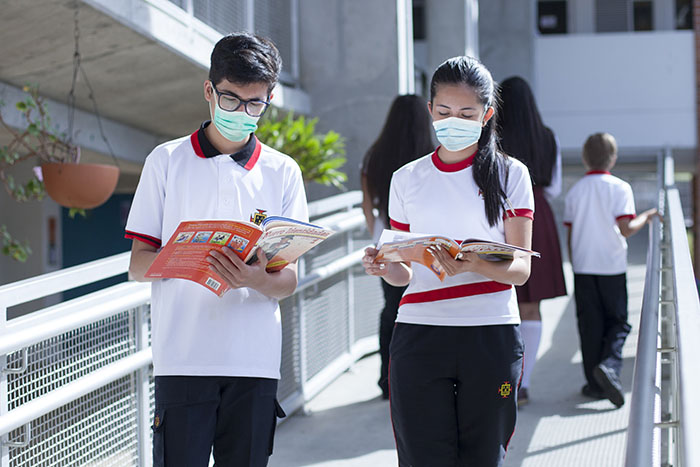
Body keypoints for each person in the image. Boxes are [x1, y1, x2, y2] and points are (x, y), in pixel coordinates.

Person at [125, 32, 307, 466]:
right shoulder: (165, 161)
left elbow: (288, 281)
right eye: (230, 99)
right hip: (182, 360)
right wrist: (185, 261)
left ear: (269, 99)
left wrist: (253, 278)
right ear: (209, 91)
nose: (242, 113)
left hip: (255, 363)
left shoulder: (283, 172)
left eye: (254, 104)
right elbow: (137, 265)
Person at [363, 56, 534, 466]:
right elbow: (405, 273)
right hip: (420, 335)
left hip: (490, 334)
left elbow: (521, 269)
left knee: (483, 456)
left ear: (486, 114)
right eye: (444, 112)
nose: (452, 120)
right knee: (423, 456)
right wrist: (385, 266)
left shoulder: (512, 175)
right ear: (430, 110)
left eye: (466, 113)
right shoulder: (406, 178)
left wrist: (470, 264)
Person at [563, 132, 659, 408]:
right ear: (613, 159)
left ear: (584, 159)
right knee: (618, 322)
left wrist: (575, 261)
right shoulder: (620, 188)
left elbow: (570, 234)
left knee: (589, 325)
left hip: (583, 267)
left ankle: (594, 385)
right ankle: (610, 365)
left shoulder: (576, 190)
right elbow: (626, 228)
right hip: (612, 266)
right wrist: (647, 216)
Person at [497, 76, 567, 406]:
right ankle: (521, 384)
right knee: (532, 306)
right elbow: (553, 188)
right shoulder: (548, 137)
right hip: (538, 219)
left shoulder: (492, 137)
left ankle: (502, 383)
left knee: (500, 301)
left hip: (499, 219)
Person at [360, 94, 435, 399]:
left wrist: (376, 234)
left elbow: (367, 204)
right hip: (423, 241)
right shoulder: (429, 155)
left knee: (392, 308)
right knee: (425, 307)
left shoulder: (375, 154)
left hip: (387, 239)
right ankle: (421, 376)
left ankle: (387, 379)